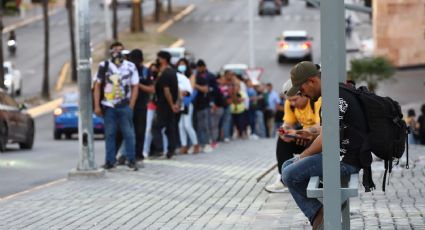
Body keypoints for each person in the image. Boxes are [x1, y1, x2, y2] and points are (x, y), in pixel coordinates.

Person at [282, 61, 366, 229]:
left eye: (302, 89)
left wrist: (303, 156)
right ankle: (320, 212)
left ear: (312, 81)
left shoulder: (333, 98)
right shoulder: (336, 92)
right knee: (286, 165)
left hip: (346, 160)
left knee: (289, 174)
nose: (302, 93)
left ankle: (318, 214)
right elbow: (329, 127)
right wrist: (309, 131)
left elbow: (328, 137)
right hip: (344, 155)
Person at [264, 80, 321, 193]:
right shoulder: (289, 104)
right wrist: (283, 131)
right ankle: (284, 178)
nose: (293, 103)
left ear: (304, 94)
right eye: (290, 101)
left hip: (319, 139)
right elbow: (286, 123)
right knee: (283, 140)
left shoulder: (317, 101)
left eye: (295, 99)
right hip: (303, 138)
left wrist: (304, 132)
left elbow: (323, 126)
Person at [93, 41, 139, 170]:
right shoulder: (104, 66)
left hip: (125, 106)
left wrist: (132, 104)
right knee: (110, 134)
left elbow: (135, 86)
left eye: (120, 50)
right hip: (109, 106)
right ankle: (110, 161)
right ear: (111, 51)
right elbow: (97, 85)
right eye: (115, 50)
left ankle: (131, 160)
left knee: (128, 134)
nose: (117, 52)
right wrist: (97, 105)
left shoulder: (130, 66)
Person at [152, 51, 180, 159]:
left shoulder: (165, 73)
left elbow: (166, 90)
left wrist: (172, 104)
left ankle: (159, 149)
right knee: (170, 128)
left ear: (163, 59)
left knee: (156, 127)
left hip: (164, 105)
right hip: (170, 105)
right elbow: (177, 89)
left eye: (159, 58)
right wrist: (176, 102)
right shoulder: (173, 71)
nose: (157, 60)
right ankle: (171, 150)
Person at [129, 49, 155, 161]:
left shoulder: (145, 71)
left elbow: (151, 89)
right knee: (126, 132)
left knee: (140, 131)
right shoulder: (127, 70)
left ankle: (138, 155)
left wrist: (137, 85)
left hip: (141, 106)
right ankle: (126, 154)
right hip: (128, 105)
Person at [176, 58, 200, 154]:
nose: (181, 66)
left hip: (187, 103)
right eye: (180, 64)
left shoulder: (191, 76)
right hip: (179, 103)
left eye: (183, 64)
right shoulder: (177, 76)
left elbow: (191, 90)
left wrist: (183, 93)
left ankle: (195, 144)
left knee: (187, 125)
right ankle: (184, 145)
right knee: (180, 125)